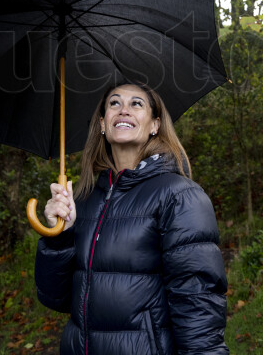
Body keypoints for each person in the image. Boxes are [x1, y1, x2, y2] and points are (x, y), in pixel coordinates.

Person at [35, 82, 229, 355]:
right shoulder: (84, 200)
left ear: (155, 125)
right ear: (103, 123)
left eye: (136, 104)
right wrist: (60, 237)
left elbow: (197, 300)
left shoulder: (178, 196)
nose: (123, 110)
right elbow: (56, 297)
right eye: (114, 103)